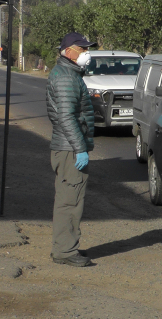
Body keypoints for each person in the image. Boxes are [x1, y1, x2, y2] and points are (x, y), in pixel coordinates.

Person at [46, 32, 97, 266]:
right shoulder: (66, 77)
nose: (86, 54)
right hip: (69, 150)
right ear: (68, 51)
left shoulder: (69, 73)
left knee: (70, 199)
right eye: (82, 49)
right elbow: (66, 117)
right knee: (70, 201)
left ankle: (65, 246)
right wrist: (80, 149)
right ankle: (65, 252)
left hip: (67, 147)